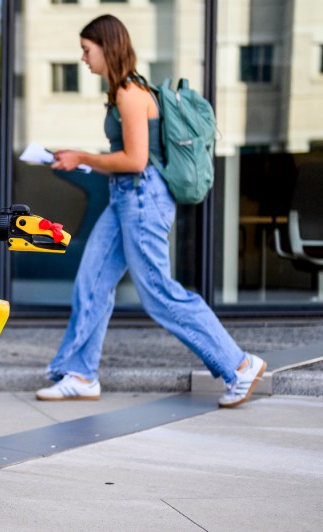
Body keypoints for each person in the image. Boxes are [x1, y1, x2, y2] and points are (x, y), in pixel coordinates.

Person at [35, 14, 266, 408]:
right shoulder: (123, 93)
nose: (83, 59)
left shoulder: (130, 94)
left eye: (86, 50)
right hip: (125, 197)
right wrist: (83, 158)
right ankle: (81, 374)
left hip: (143, 200)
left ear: (107, 48)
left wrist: (82, 157)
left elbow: (136, 160)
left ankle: (239, 365)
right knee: (91, 281)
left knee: (159, 293)